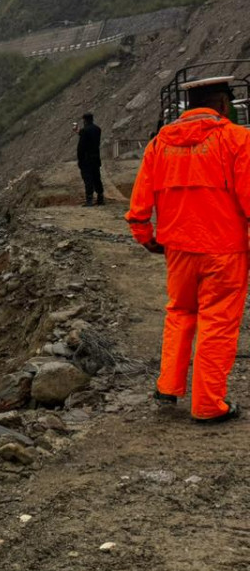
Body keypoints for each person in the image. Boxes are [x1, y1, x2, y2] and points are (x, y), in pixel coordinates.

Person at [125, 81, 250, 423]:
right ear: (223, 105)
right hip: (225, 251)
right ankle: (209, 404)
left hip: (178, 248)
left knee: (180, 312)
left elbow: (139, 203)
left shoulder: (160, 143)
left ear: (186, 106)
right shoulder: (237, 140)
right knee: (217, 322)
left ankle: (168, 385)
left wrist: (145, 235)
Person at [76, 112, 104, 205]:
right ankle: (100, 198)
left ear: (84, 120)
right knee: (96, 178)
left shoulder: (84, 131)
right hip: (96, 158)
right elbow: (91, 139)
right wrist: (80, 132)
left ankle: (89, 200)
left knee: (88, 179)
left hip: (86, 159)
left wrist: (80, 160)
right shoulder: (97, 129)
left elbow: (81, 147)